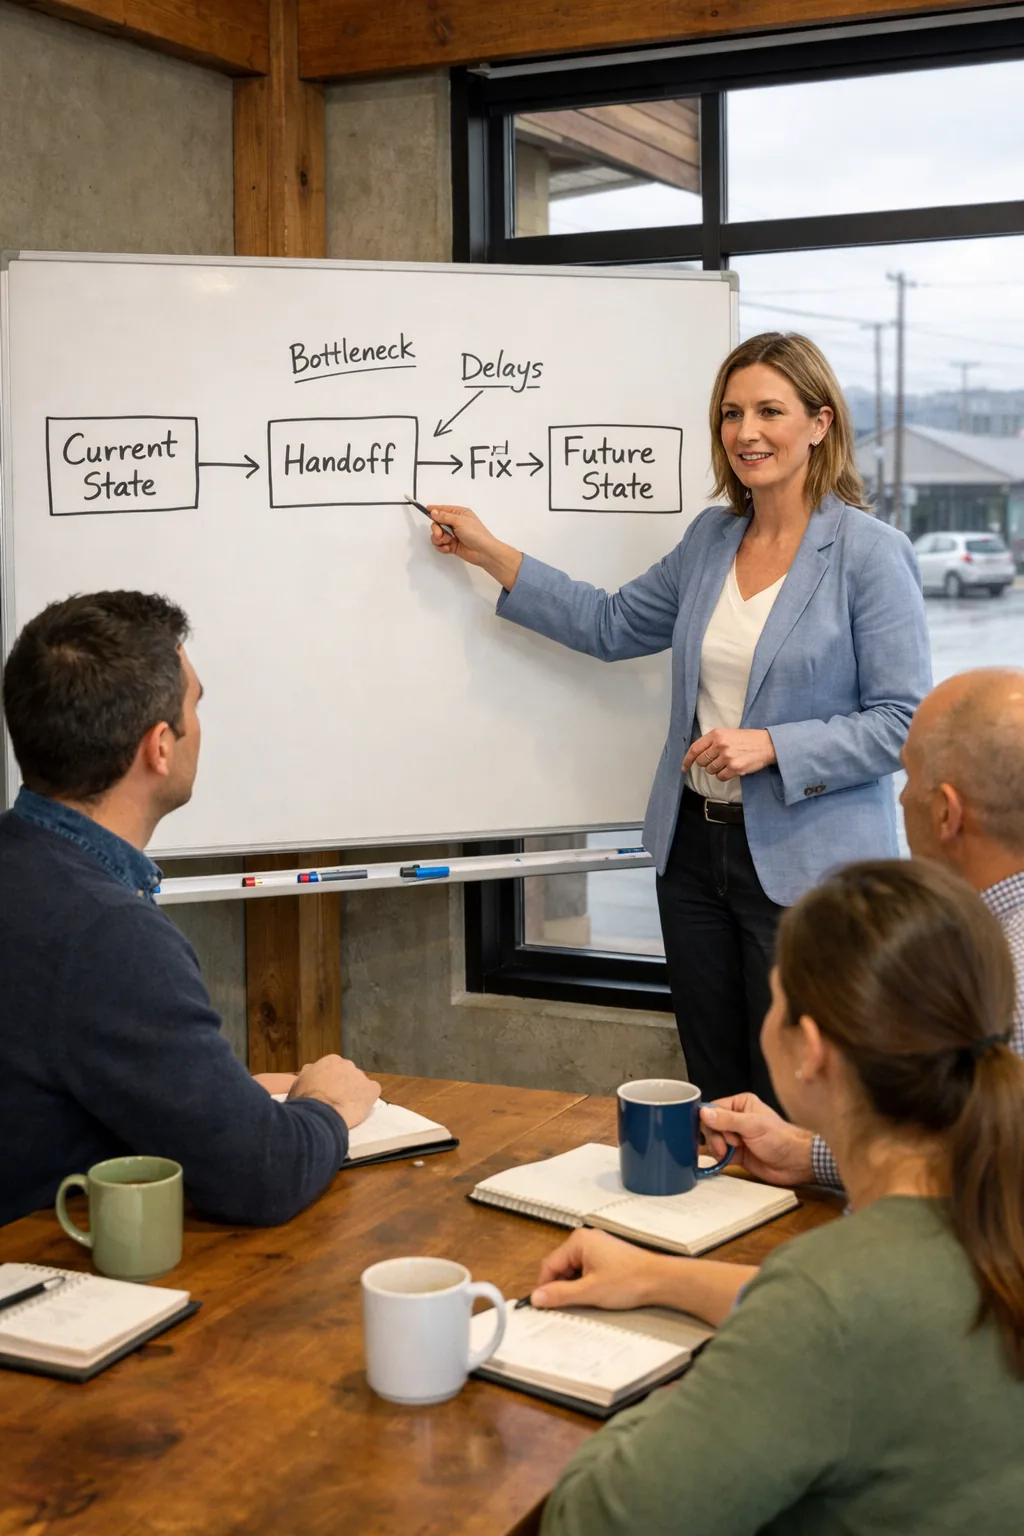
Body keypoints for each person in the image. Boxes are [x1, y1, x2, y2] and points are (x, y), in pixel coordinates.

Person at [427, 333, 930, 1106]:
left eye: (770, 410)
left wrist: (773, 746)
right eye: (731, 413)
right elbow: (610, 623)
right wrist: (492, 553)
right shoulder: (710, 540)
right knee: (716, 1079)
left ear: (820, 423)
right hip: (693, 852)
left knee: (798, 1092)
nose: (746, 432)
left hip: (806, 869)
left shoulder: (869, 553)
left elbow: (904, 722)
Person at [535, 860, 1024, 1535]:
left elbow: (592, 1520)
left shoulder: (829, 1301)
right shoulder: (987, 1222)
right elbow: (864, 1317)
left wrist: (683, 1397)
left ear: (811, 1050)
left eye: (776, 998)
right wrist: (659, 1276)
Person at [0, 591, 380, 1228]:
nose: (200, 722)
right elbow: (262, 1175)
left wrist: (220, 1099)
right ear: (160, 747)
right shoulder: (107, 934)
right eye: (195, 705)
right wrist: (325, 1106)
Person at [698, 666, 1024, 1194]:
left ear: (946, 812)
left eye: (910, 778)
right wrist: (807, 1154)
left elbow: (958, 1202)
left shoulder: (1002, 982)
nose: (900, 800)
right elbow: (946, 1150)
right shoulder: (984, 950)